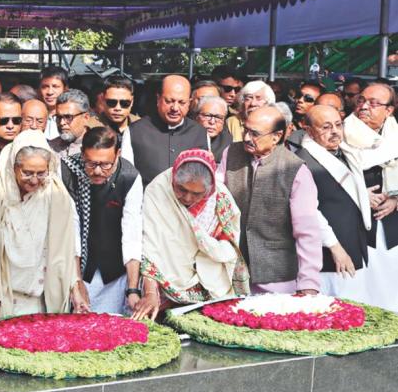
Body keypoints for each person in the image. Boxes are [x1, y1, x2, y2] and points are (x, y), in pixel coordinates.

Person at [0, 130, 85, 318]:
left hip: (44, 298)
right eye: (27, 173)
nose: (34, 180)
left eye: (41, 173)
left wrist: (74, 287)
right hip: (5, 295)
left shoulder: (55, 191)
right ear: (13, 166)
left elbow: (65, 247)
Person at [134, 148, 249, 320]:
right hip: (168, 284)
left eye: (197, 194)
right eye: (181, 189)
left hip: (211, 284)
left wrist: (210, 245)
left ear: (209, 189)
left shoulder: (220, 197)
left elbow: (229, 242)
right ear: (173, 179)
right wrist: (150, 292)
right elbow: (150, 246)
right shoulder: (158, 190)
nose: (187, 198)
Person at [218, 104, 322, 295]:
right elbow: (216, 197)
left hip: (276, 274)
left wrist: (309, 283)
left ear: (276, 136)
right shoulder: (231, 153)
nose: (247, 137)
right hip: (231, 268)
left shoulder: (295, 169)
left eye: (255, 133)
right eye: (245, 129)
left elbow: (307, 231)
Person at [61, 127, 143, 314]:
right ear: (82, 154)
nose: (97, 171)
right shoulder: (67, 171)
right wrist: (76, 281)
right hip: (76, 267)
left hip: (115, 272)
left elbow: (132, 233)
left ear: (118, 154)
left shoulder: (129, 177)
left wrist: (132, 289)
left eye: (105, 165)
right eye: (91, 164)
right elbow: (71, 227)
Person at [297, 105, 370, 301]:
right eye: (326, 127)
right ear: (309, 130)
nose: (335, 132)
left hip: (353, 244)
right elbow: (309, 212)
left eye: (338, 125)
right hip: (329, 255)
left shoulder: (346, 152)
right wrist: (335, 247)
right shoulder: (303, 162)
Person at [342, 82, 398, 309]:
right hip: (354, 224)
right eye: (361, 100)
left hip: (392, 224)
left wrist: (395, 200)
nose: (365, 106)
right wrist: (359, 195)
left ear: (389, 110)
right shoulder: (340, 134)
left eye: (374, 103)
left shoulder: (395, 136)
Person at [122, 75, 210, 185]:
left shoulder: (200, 133)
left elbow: (206, 180)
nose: (175, 108)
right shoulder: (135, 131)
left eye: (181, 102)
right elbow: (126, 179)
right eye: (169, 101)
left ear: (189, 103)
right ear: (158, 99)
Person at [49, 89, 99, 158]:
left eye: (68, 117)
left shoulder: (99, 147)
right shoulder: (50, 148)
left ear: (86, 118)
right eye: (59, 117)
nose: (61, 123)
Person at [194, 96, 232, 162]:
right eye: (207, 115)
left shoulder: (227, 142)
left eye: (218, 117)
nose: (212, 122)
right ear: (197, 117)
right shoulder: (185, 137)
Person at [38, 66, 69, 140]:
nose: (50, 92)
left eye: (55, 87)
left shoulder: (71, 117)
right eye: (45, 87)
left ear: (65, 89)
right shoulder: (35, 115)